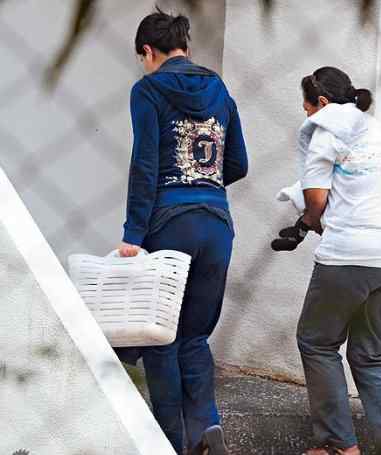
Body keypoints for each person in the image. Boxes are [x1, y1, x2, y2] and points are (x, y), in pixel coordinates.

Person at [116, 8, 247, 455]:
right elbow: (238, 164)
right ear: (185, 47)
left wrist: (133, 233)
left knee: (159, 337)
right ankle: (207, 427)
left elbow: (145, 165)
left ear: (148, 52)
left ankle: (168, 441)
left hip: (168, 225)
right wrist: (203, 187)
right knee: (194, 337)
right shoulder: (219, 88)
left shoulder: (148, 90)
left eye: (142, 58)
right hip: (216, 225)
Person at [292, 67, 381, 455]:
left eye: (307, 107)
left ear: (323, 103)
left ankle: (336, 446)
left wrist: (306, 222)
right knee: (369, 352)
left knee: (316, 341)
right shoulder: (380, 131)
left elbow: (316, 203)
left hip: (350, 256)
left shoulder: (325, 130)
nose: (306, 115)